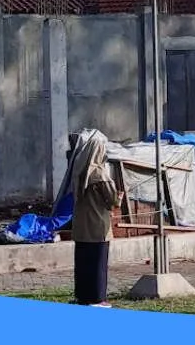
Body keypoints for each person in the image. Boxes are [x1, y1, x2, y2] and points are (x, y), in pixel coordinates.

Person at [71, 130, 119, 307]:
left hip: (81, 227)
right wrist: (119, 196)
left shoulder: (78, 171)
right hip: (98, 225)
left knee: (83, 263)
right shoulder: (100, 174)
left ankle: (82, 296)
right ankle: (97, 298)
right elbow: (112, 199)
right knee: (98, 264)